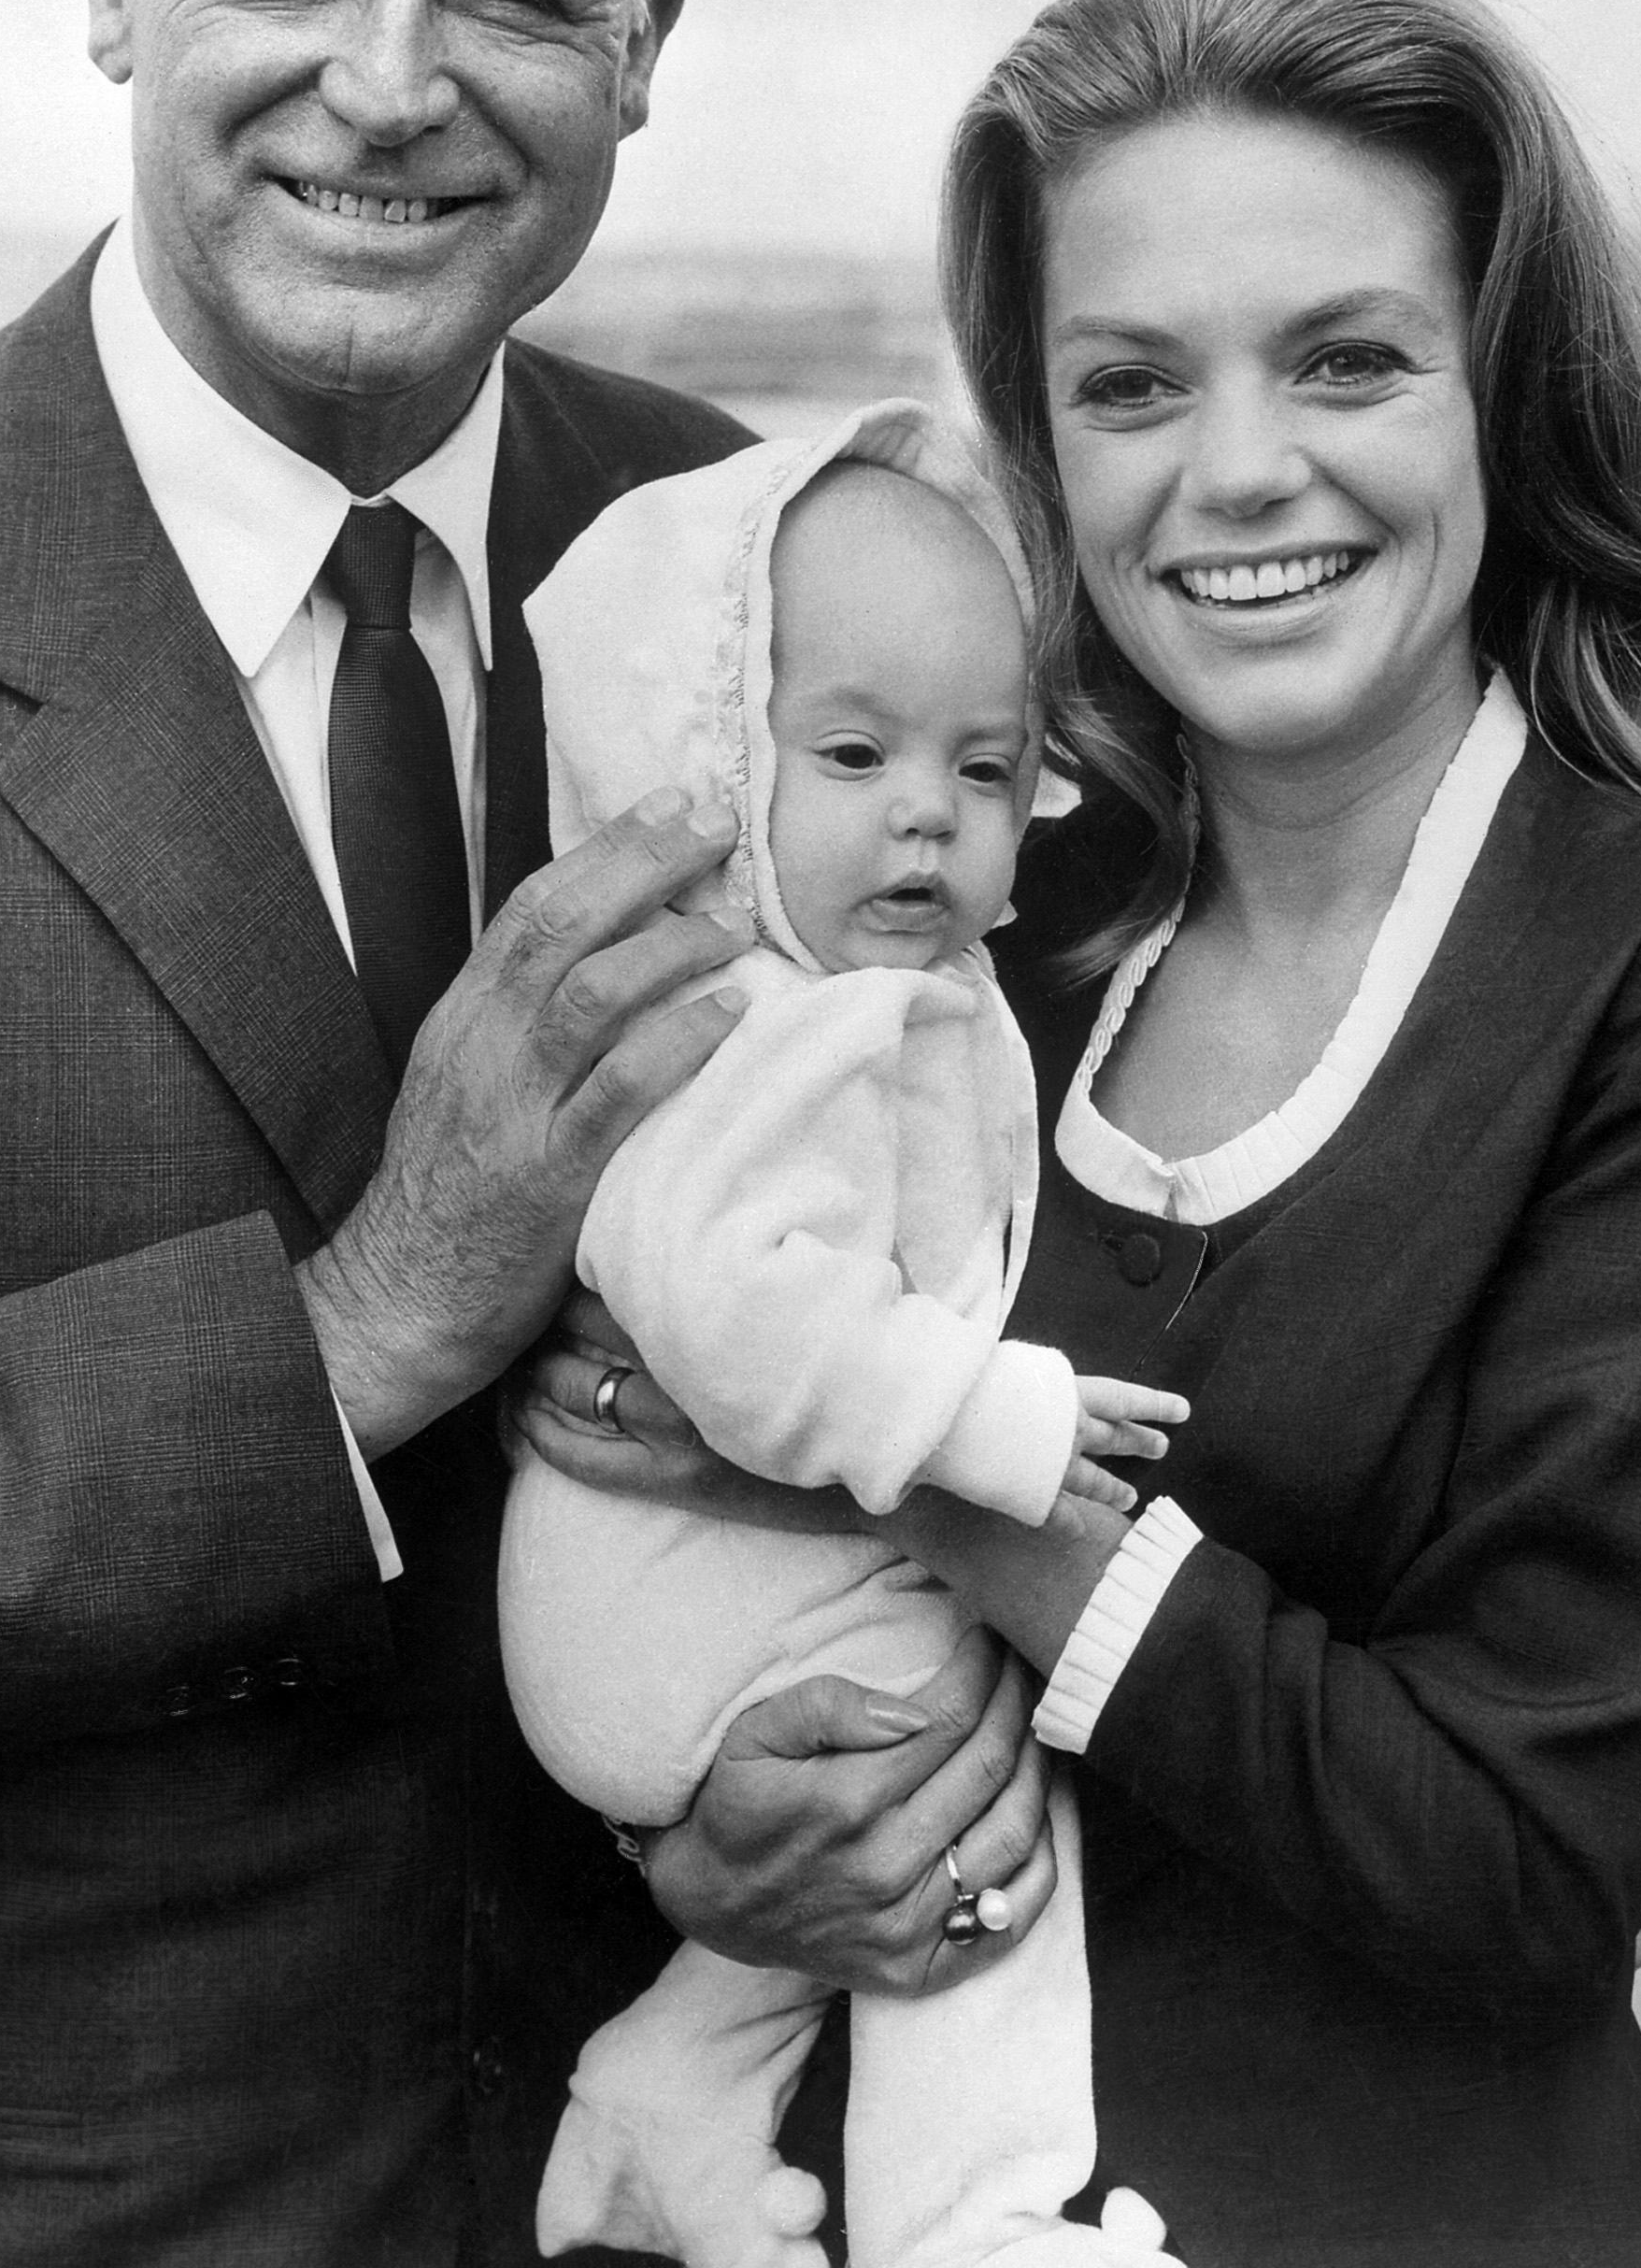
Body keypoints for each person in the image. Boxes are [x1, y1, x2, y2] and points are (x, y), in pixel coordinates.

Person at [0, 0, 1056, 2267]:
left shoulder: (778, 565)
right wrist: (367, 1320)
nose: (387, 86)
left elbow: (1071, 1161)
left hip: (665, 2180)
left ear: (645, 45)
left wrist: (1499, 1706)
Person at [521, 0, 1641, 2267]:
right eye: (1129, 385)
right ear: (1041, 441)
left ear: (1504, 383)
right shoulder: (986, 913)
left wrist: (920, 1466)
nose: (1239, 472)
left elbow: (1524, 1857)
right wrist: (706, 1841)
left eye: (1350, 358)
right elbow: (646, 1445)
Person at [500, 405, 1185, 2268]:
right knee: (982, 1815)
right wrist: (982, 1417)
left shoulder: (873, 993)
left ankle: (661, 2104)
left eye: (986, 767)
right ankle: (978, 2220)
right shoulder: (769, 1025)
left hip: (676, 1602)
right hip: (678, 1600)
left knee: (873, 1814)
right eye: (855, 755)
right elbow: (728, 1300)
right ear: (710, 770)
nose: (927, 814)